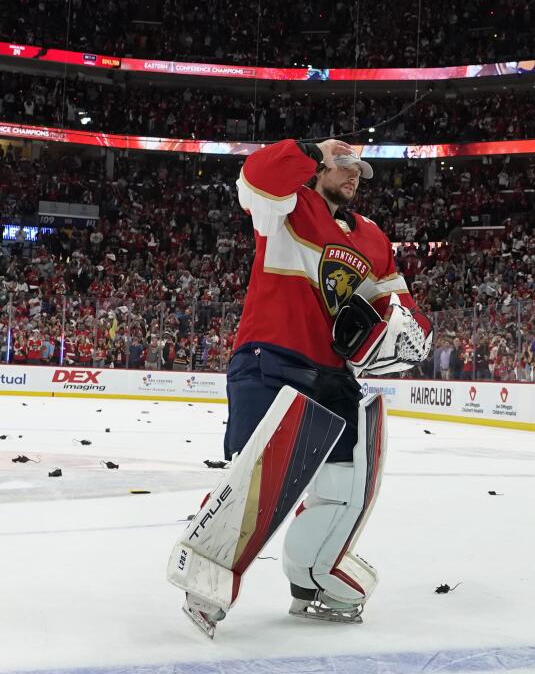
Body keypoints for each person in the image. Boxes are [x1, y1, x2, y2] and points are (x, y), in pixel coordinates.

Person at [169, 137, 432, 634]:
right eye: (345, 166)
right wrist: (310, 148)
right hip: (272, 358)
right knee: (253, 480)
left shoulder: (373, 237)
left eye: (360, 170)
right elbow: (257, 177)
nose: (354, 176)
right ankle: (205, 578)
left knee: (348, 482)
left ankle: (315, 573)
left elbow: (397, 302)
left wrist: (414, 328)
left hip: (335, 373)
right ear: (318, 168)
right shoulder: (287, 206)